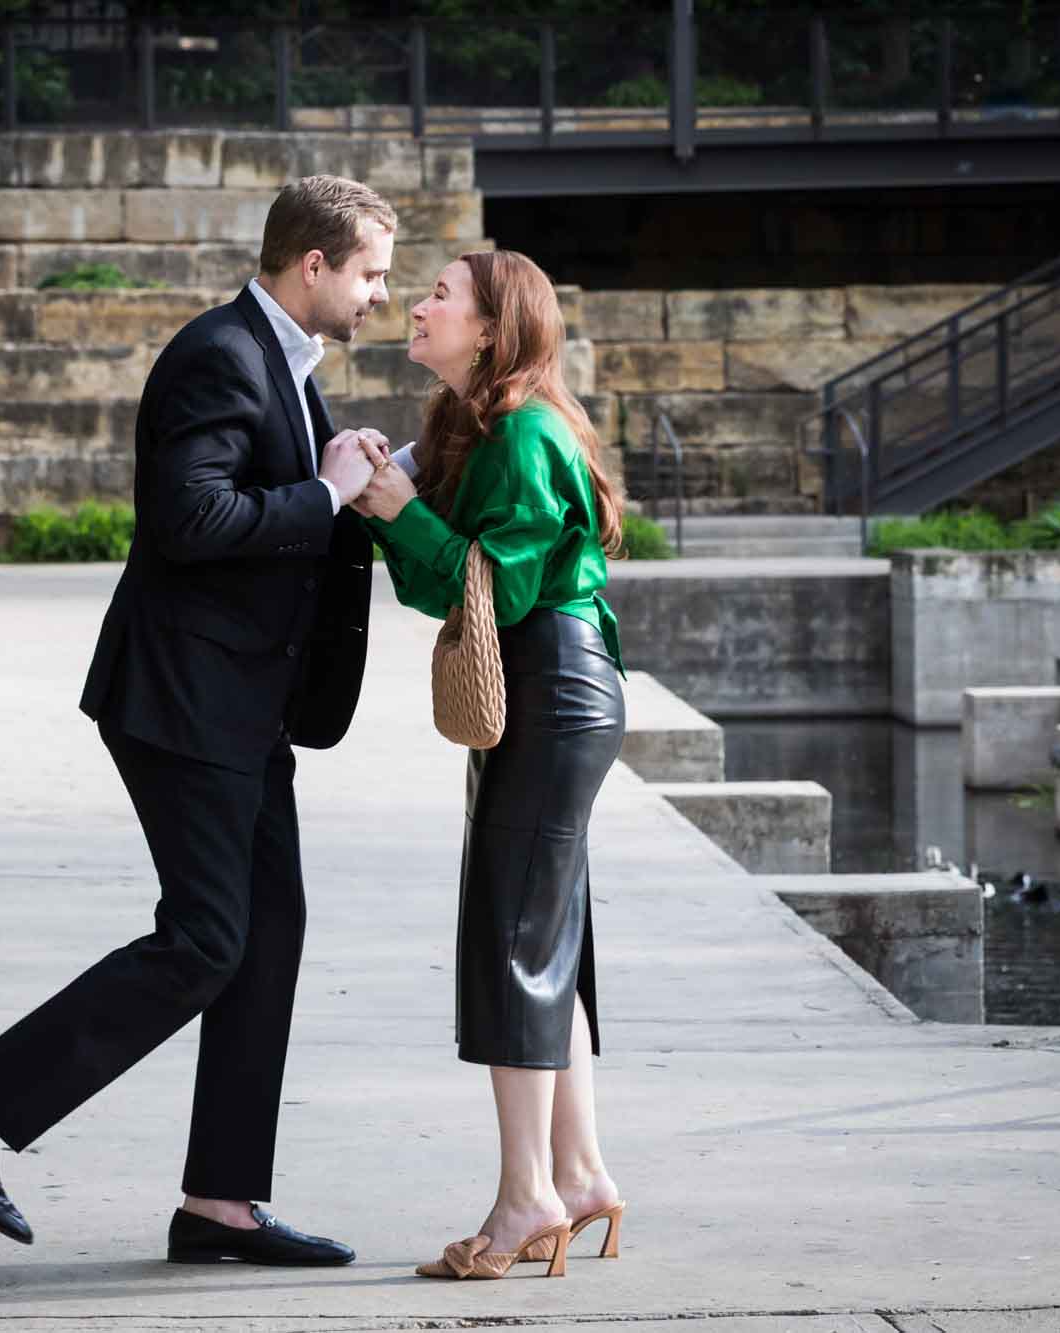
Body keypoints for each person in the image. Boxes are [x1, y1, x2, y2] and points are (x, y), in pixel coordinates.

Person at [0, 175, 399, 1266]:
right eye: (369, 274)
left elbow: (269, 496)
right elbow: (190, 517)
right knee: (209, 937)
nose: (379, 296)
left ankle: (220, 1202)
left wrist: (346, 477)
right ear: (311, 264)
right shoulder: (217, 353)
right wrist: (318, 493)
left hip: (247, 706)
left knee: (266, 941)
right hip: (182, 702)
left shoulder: (283, 364)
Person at [352, 249, 628, 1281]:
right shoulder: (496, 427)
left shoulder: (518, 432)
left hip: (547, 687)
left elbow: (492, 589)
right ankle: (582, 1173)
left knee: (511, 942)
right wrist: (402, 505)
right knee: (545, 939)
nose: (417, 306)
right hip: (553, 690)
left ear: (489, 328)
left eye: (438, 296)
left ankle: (526, 1199)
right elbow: (457, 588)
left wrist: (392, 514)